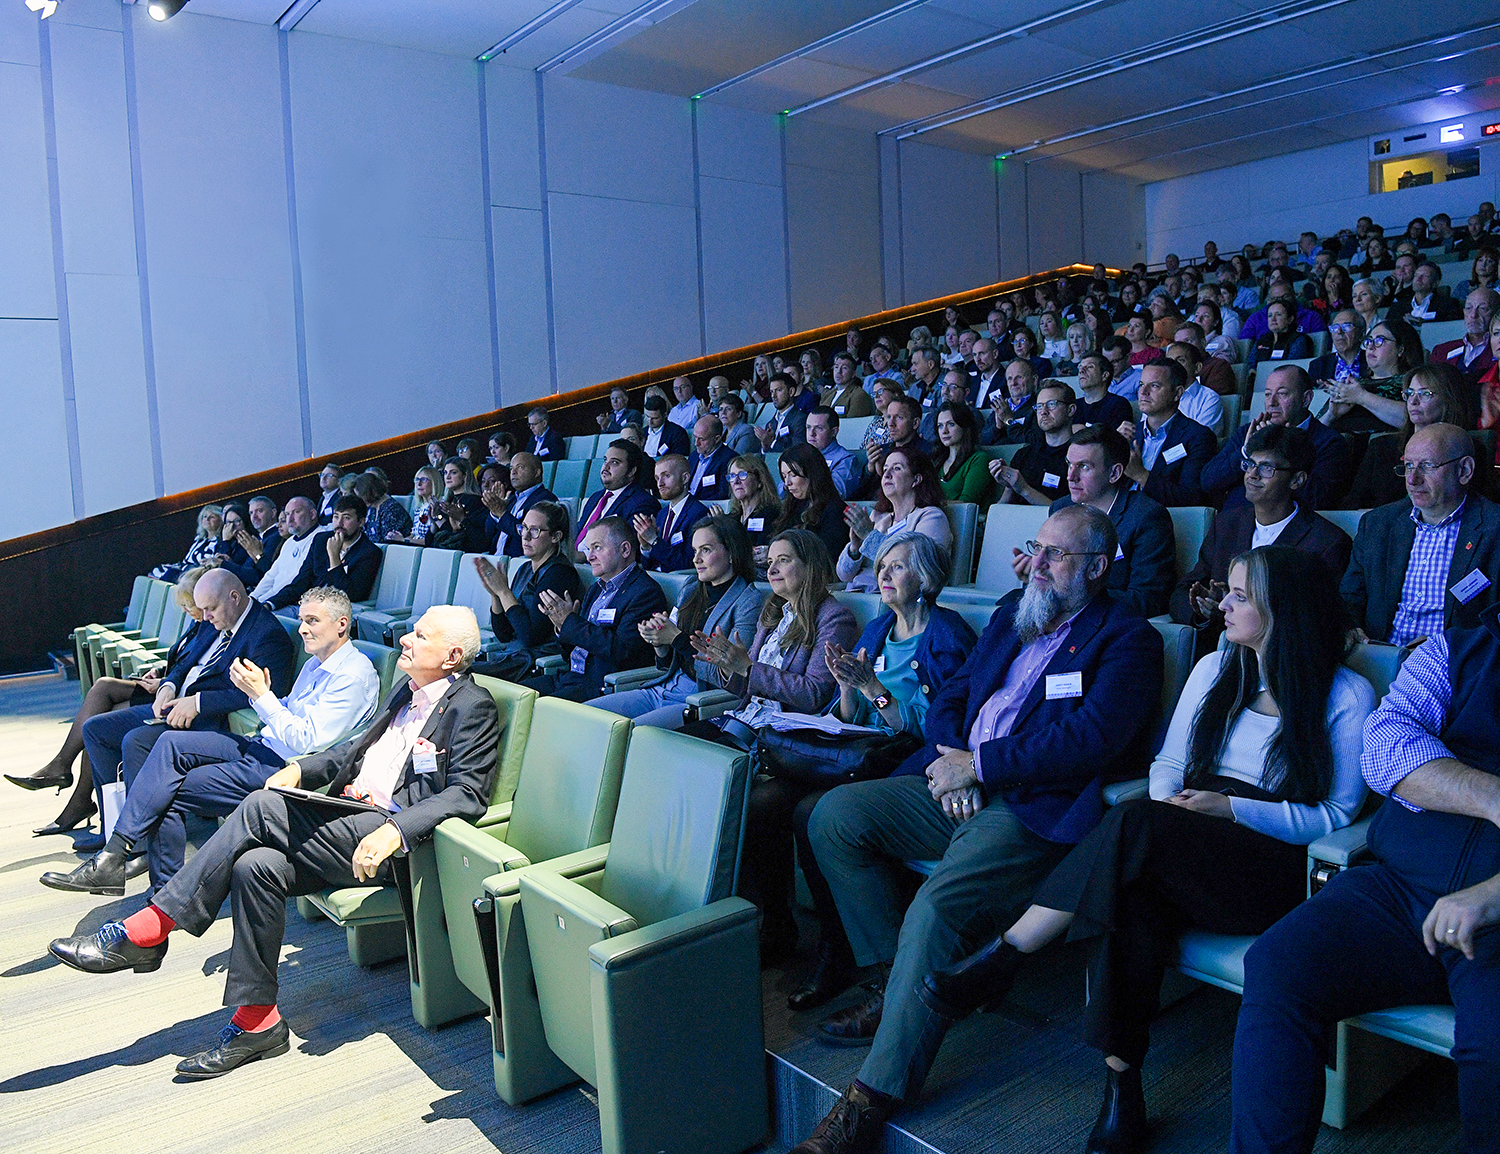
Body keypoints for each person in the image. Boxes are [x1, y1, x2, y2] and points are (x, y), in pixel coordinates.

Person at [923, 548, 1374, 1154]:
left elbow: (1335, 815)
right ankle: (1121, 1091)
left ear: (1283, 608)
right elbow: (1166, 765)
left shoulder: (1346, 694)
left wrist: (1229, 809)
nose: (1226, 604)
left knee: (1135, 833)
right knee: (1130, 890)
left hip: (1270, 859)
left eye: (1241, 595)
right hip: (1181, 832)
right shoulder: (1216, 668)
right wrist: (1173, 807)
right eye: (1229, 591)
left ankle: (1006, 957)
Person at [791, 506, 1164, 1154]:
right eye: (1036, 549)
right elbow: (950, 699)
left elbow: (1091, 739)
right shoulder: (1014, 612)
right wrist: (947, 759)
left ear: (1098, 568)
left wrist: (982, 766)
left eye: (1057, 556)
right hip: (951, 782)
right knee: (834, 818)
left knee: (937, 907)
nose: (1038, 565)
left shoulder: (1127, 637)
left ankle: (869, 1099)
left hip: (1027, 808)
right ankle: (898, 987)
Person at [49, 606, 499, 1079]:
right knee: (256, 866)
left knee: (263, 806)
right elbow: (352, 752)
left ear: (451, 656)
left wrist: (397, 829)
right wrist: (301, 769)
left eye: (420, 636)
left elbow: (467, 794)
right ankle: (257, 1023)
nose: (406, 639)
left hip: (389, 837)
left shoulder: (473, 706)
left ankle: (149, 928)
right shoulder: (404, 690)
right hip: (345, 816)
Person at [1229, 601, 1500, 1154]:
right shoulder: (1462, 648)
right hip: (1399, 885)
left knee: (1496, 1045)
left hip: (1494, 916)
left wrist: (1493, 896)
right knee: (1279, 967)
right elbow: (1384, 747)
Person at [42, 586, 381, 895]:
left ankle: (154, 886)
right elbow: (286, 716)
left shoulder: (353, 674)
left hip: (286, 768)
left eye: (312, 620)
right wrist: (257, 696)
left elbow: (305, 742)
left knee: (166, 791)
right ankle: (116, 856)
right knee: (168, 745)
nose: (303, 628)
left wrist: (261, 696)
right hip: (261, 746)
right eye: (302, 619)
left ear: (342, 624)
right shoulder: (315, 664)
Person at [786, 533, 978, 1012]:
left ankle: (865, 960)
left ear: (926, 577)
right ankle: (839, 946)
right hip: (865, 752)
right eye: (881, 567)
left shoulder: (947, 636)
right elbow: (849, 718)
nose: (883, 576)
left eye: (896, 567)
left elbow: (936, 728)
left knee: (810, 812)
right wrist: (848, 688)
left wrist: (873, 687)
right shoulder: (874, 630)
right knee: (792, 807)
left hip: (910, 760)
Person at [689, 530, 857, 961]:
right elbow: (749, 687)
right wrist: (730, 666)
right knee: (683, 755)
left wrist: (747, 669)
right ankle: (704, 906)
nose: (773, 567)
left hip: (790, 741)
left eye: (785, 560)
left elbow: (817, 692)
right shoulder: (773, 614)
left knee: (759, 805)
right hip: (750, 725)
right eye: (772, 561)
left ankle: (776, 924)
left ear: (811, 566)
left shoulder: (832, 617)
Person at [10, 565, 218, 841]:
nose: (186, 611)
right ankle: (76, 792)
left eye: (188, 605)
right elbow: (185, 662)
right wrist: (161, 673)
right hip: (167, 687)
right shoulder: (198, 624)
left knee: (100, 714)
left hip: (177, 698)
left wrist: (167, 682)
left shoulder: (212, 624)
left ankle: (71, 784)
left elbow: (200, 672)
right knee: (101, 699)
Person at [79, 569, 297, 825]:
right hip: (174, 703)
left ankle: (136, 841)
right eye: (202, 609)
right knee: (95, 729)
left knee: (135, 741)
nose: (204, 616)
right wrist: (168, 684)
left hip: (210, 720)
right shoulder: (214, 620)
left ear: (235, 597)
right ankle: (113, 825)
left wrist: (198, 703)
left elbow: (265, 693)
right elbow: (185, 661)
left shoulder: (266, 634)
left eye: (210, 609)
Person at [587, 515, 763, 728]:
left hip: (698, 699)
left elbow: (732, 675)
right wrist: (660, 644)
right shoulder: (690, 588)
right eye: (695, 550)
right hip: (662, 687)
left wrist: (676, 639)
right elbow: (665, 665)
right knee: (586, 717)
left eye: (705, 550)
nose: (696, 559)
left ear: (732, 553)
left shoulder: (749, 601)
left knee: (627, 733)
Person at [1171, 426, 1352, 627]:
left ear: (1297, 480)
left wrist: (1236, 609)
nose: (1252, 475)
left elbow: (1314, 618)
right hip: (1218, 647)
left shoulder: (1327, 542)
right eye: (1249, 464)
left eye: (1266, 468)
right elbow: (1181, 592)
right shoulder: (1226, 524)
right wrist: (1204, 606)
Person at [1341, 423, 1500, 646]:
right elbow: (1349, 597)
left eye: (1427, 466)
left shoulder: (1494, 529)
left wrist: (1449, 645)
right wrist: (1352, 627)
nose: (1412, 480)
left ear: (1464, 470)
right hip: (1379, 656)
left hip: (1454, 664)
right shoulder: (1378, 525)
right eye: (1408, 466)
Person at [1036, 425, 1175, 618]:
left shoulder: (1147, 517)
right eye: (1069, 464)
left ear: (1114, 473)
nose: (1070, 476)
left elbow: (1147, 600)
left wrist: (1069, 598)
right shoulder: (1060, 508)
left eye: (1084, 466)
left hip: (1107, 624)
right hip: (1057, 614)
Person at [525, 516, 667, 701]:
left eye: (597, 548)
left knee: (536, 708)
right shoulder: (595, 588)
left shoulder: (645, 593)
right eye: (589, 548)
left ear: (624, 549)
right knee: (511, 696)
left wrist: (570, 622)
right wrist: (561, 627)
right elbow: (571, 654)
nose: (590, 556)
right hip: (569, 677)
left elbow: (621, 652)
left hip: (599, 687)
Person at [1202, 365, 1352, 511]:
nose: (1272, 402)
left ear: (1306, 399)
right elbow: (1208, 481)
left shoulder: (1329, 442)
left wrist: (1282, 449)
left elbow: (1320, 500)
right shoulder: (1248, 432)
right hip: (1235, 523)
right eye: (1267, 394)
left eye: (1282, 394)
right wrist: (1246, 452)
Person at [470, 502, 583, 680]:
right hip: (513, 656)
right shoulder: (525, 569)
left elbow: (530, 636)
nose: (526, 536)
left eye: (535, 530)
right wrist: (496, 595)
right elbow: (504, 634)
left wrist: (504, 592)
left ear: (556, 537)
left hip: (535, 663)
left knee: (459, 674)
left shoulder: (559, 574)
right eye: (523, 528)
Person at [1344, 365, 1477, 509]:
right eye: (1409, 393)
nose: (1413, 401)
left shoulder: (1468, 448)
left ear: (1449, 399)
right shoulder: (1381, 447)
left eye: (1425, 394)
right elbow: (1353, 504)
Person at [839, 447, 950, 592]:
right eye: (885, 469)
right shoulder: (878, 517)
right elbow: (843, 575)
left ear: (916, 479)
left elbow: (917, 568)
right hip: (859, 597)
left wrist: (868, 536)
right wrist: (855, 549)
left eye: (897, 468)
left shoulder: (931, 517)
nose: (887, 475)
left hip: (895, 602)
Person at [1118, 359, 1217, 508]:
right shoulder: (1129, 434)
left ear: (1177, 393)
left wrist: (1141, 475)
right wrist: (1112, 447)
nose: (1143, 392)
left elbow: (1191, 498)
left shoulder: (1198, 437)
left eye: (1155, 386)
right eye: (1141, 385)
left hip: (1162, 519)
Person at [267, 495, 381, 614]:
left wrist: (334, 557)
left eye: (346, 518)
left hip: (334, 615)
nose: (339, 523)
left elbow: (351, 596)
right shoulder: (321, 540)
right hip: (305, 607)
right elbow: (301, 582)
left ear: (361, 522)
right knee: (268, 617)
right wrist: (270, 604)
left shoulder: (369, 553)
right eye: (336, 517)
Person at [1328, 317, 1423, 434]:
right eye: (1368, 341)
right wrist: (1331, 414)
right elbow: (1312, 432)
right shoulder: (1352, 385)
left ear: (1400, 349)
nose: (1370, 347)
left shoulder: (1415, 382)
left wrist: (1362, 397)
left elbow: (1416, 419)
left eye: (1379, 341)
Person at [992, 381, 1076, 506]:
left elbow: (1068, 515)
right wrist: (1009, 482)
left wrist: (1024, 489)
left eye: (1051, 404)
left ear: (1070, 410)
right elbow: (1004, 503)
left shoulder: (1079, 458)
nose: (1043, 411)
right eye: (1039, 406)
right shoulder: (1023, 454)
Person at [573, 439, 660, 557]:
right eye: (605, 460)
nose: (606, 466)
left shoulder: (643, 503)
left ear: (631, 471)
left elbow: (624, 548)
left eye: (614, 462)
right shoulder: (595, 498)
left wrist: (579, 557)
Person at [773, 443, 850, 565]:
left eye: (793, 475)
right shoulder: (792, 507)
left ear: (812, 473)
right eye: (784, 476)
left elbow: (828, 557)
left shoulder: (836, 510)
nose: (787, 483)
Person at [634, 454, 711, 573]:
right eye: (657, 478)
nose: (660, 484)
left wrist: (654, 540)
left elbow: (689, 562)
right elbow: (649, 565)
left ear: (685, 478)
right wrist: (646, 547)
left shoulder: (699, 514)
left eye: (666, 476)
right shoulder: (662, 514)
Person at [249, 497, 321, 604]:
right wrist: (251, 599)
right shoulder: (289, 542)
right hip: (273, 599)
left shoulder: (319, 537)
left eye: (296, 512)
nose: (290, 519)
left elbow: (294, 579)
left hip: (295, 601)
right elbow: (271, 576)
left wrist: (264, 602)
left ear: (312, 514)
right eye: (287, 514)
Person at [1430, 286, 1498, 388]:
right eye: (1469, 308)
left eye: (1483, 308)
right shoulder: (1441, 351)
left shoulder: (1497, 350)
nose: (1473, 315)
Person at [934, 402, 997, 510]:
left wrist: (931, 505)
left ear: (964, 426)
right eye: (940, 426)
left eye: (951, 424)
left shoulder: (979, 459)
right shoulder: (936, 461)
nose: (944, 431)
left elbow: (968, 503)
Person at [1164, 341, 1226, 435]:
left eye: (1181, 360)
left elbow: (1199, 438)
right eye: (1169, 361)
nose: (1173, 366)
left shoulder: (1209, 399)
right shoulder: (1156, 395)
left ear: (1197, 368)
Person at [148, 505, 223, 583]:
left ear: (220, 521)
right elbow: (187, 559)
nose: (207, 519)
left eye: (212, 517)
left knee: (171, 573)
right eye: (205, 516)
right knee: (159, 569)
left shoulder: (219, 542)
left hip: (197, 574)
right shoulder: (199, 539)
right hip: (184, 568)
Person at [805, 407, 864, 499]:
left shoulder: (845, 459)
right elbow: (781, 492)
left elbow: (834, 493)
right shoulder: (801, 456)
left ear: (833, 432)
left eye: (819, 428)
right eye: (808, 427)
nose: (811, 433)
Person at [726, 453, 781, 550]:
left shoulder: (772, 515)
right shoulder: (732, 517)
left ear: (759, 481)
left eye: (742, 475)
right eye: (732, 476)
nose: (736, 481)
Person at [979, 359, 1039, 447]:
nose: (1013, 383)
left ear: (1034, 380)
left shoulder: (1040, 405)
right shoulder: (1001, 406)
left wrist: (1009, 421)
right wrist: (997, 427)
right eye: (1010, 379)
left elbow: (1035, 441)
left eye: (1019, 377)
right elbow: (982, 441)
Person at [1071, 352, 1134, 431]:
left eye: (1090, 367)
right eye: (1080, 367)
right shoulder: (1073, 406)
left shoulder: (1119, 405)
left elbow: (1119, 440)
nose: (1081, 371)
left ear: (1104, 375)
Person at [1247, 299, 1314, 371]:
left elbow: (1293, 366)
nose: (1273, 319)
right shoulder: (1262, 340)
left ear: (1290, 319)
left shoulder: (1297, 340)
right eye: (1270, 315)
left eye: (1278, 314)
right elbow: (1250, 364)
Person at [353, 471, 411, 547]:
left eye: (361, 496)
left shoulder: (392, 510)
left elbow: (388, 542)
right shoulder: (372, 508)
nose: (360, 500)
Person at [1308, 308, 1367, 384]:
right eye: (1334, 327)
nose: (1339, 331)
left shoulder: (1373, 360)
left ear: (1361, 334)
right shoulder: (1318, 365)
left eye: (1346, 326)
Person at [758, 373, 809, 452]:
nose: (773, 396)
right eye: (771, 391)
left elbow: (797, 452)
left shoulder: (800, 419)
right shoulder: (771, 423)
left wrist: (771, 443)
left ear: (791, 391)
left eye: (779, 390)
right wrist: (765, 446)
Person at [917, 370, 970, 445]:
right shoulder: (930, 417)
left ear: (966, 392)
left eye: (953, 387)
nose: (945, 391)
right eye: (944, 385)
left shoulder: (971, 415)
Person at [394, 466, 443, 545]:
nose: (419, 484)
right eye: (417, 479)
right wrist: (398, 536)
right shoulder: (419, 508)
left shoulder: (438, 507)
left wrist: (403, 540)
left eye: (423, 480)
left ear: (434, 483)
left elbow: (429, 541)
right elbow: (415, 535)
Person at [824, 352, 876, 418]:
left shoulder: (858, 395)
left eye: (844, 368)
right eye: (836, 367)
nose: (838, 371)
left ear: (853, 374)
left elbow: (852, 424)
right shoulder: (827, 394)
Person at [641, 393, 692, 460]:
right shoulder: (642, 432)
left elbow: (679, 459)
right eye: (647, 417)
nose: (650, 422)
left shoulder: (677, 433)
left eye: (655, 418)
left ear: (665, 415)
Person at [718, 393, 761, 457]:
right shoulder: (721, 430)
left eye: (728, 409)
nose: (723, 412)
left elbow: (737, 458)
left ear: (738, 414)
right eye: (721, 409)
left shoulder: (747, 431)